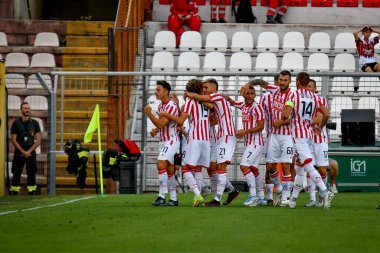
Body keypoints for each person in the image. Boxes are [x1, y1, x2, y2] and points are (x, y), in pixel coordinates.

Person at [282, 72, 334, 209]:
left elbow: (285, 114)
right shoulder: (314, 97)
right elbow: (326, 114)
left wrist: (285, 113)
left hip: (299, 136)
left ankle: (324, 191)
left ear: (298, 81)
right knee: (299, 168)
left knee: (308, 166)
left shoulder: (293, 94)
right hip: (309, 135)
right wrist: (320, 127)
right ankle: (293, 200)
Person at [185, 78, 239, 207]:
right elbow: (213, 118)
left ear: (214, 89)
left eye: (206, 87)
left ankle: (217, 199)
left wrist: (187, 94)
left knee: (220, 168)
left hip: (227, 135)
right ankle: (231, 191)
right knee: (212, 168)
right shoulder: (215, 101)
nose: (204, 90)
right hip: (219, 136)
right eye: (202, 88)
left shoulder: (217, 97)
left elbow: (198, 97)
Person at [158, 79, 211, 207]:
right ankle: (196, 199)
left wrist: (167, 114)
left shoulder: (190, 101)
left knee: (186, 170)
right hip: (206, 139)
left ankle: (198, 195)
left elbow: (180, 121)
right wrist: (177, 104)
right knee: (198, 169)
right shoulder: (207, 102)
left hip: (195, 138)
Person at [245, 71, 294, 206]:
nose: (282, 82)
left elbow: (292, 116)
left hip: (286, 135)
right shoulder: (272, 92)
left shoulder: (292, 95)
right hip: (272, 134)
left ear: (289, 81)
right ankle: (278, 188)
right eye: (280, 80)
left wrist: (282, 121)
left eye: (285, 80)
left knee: (286, 165)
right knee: (270, 166)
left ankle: (285, 197)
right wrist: (248, 84)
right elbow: (261, 82)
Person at [226, 85, 266, 207]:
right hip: (250, 143)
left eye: (251, 94)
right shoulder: (243, 106)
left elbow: (261, 126)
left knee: (244, 166)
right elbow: (230, 101)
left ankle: (253, 195)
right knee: (254, 170)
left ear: (255, 95)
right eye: (247, 93)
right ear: (243, 94)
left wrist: (244, 131)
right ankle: (261, 197)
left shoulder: (257, 108)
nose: (249, 96)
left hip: (256, 142)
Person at [144, 80, 180, 206]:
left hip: (171, 140)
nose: (156, 92)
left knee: (160, 164)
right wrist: (155, 130)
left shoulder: (171, 106)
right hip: (163, 141)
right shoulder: (161, 106)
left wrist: (149, 113)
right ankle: (174, 199)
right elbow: (161, 125)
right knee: (169, 170)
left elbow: (160, 123)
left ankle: (161, 196)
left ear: (166, 91)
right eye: (156, 89)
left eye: (158, 90)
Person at [304, 78, 330, 207]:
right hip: (307, 140)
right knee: (310, 169)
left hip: (320, 140)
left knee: (322, 170)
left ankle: (322, 195)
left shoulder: (321, 100)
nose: (308, 88)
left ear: (315, 89)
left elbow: (320, 117)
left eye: (310, 86)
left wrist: (303, 121)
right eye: (306, 86)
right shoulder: (301, 101)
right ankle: (312, 198)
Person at [9, 102, 41, 195]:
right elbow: (13, 140)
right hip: (19, 150)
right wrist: (23, 151)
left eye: (28, 108)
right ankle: (14, 191)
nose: (27, 110)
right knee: (17, 172)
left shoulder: (35, 123)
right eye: (25, 108)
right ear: (21, 110)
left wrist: (29, 152)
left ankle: (32, 191)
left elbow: (38, 140)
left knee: (31, 172)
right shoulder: (16, 123)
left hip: (31, 150)